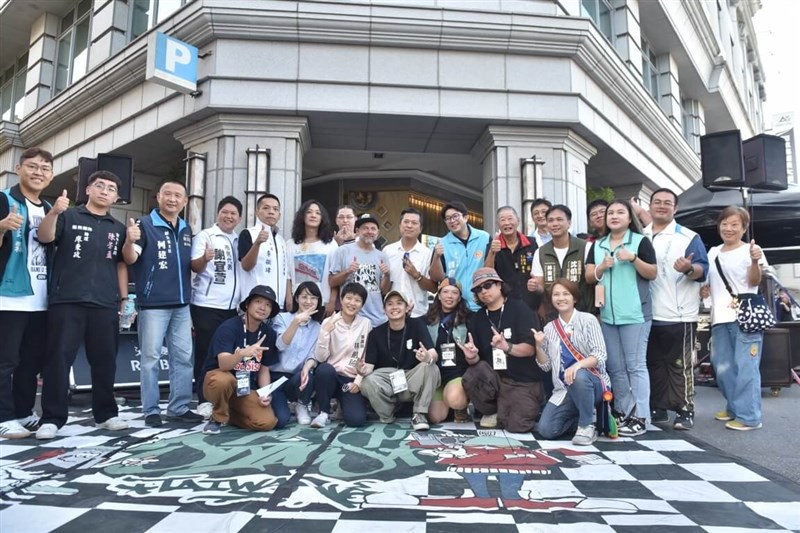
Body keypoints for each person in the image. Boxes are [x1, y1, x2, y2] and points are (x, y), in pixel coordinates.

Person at [34, 170, 130, 439]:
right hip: (67, 300)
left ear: (116, 197)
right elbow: (45, 238)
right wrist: (53, 213)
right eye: (99, 186)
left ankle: (106, 414)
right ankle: (52, 418)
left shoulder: (118, 228)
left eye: (111, 189)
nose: (104, 191)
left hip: (104, 303)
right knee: (58, 360)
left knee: (104, 361)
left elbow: (123, 264)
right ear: (87, 190)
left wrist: (123, 299)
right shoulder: (68, 216)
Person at [122, 181, 202, 427]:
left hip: (181, 305)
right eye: (167, 194)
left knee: (183, 358)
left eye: (178, 195)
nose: (172, 199)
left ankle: (178, 407)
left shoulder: (187, 229)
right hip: (153, 304)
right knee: (150, 359)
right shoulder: (143, 226)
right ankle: (151, 410)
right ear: (158, 197)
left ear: (185, 201)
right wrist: (128, 240)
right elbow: (130, 257)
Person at [585, 199, 657, 437]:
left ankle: (641, 416)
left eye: (620, 212)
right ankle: (622, 412)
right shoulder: (598, 245)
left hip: (635, 314)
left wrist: (633, 259)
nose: (614, 216)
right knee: (615, 367)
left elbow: (653, 272)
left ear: (629, 218)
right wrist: (602, 267)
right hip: (607, 315)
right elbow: (589, 277)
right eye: (610, 213)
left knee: (635, 366)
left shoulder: (640, 241)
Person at [643, 188, 708, 431]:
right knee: (654, 364)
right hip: (648, 315)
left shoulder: (688, 237)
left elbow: (702, 269)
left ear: (675, 209)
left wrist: (689, 269)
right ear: (650, 206)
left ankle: (685, 409)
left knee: (681, 365)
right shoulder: (640, 235)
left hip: (679, 314)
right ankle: (658, 407)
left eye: (667, 203)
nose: (661, 206)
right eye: (657, 202)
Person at [0, 147, 54, 439]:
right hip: (8, 296)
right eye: (32, 166)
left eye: (44, 169)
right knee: (5, 360)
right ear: (18, 168)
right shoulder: (4, 200)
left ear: (51, 175)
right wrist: (1, 226)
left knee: (30, 362)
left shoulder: (48, 209)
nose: (38, 173)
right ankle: (3, 415)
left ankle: (22, 411)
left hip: (41, 298)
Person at [702, 206, 768, 431]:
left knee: (746, 367)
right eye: (724, 224)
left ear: (744, 228)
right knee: (722, 367)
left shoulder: (752, 250)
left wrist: (754, 261)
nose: (728, 229)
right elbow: (709, 284)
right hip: (719, 316)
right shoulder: (713, 252)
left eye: (734, 224)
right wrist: (705, 292)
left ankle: (749, 417)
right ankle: (734, 407)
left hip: (745, 316)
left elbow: (754, 282)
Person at [459, 268, 542, 432]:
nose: (483, 291)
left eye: (487, 285)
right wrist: (472, 357)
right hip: (495, 378)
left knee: (517, 426)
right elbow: (476, 359)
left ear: (499, 285)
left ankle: (508, 408)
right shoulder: (478, 318)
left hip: (522, 381)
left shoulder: (519, 308)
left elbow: (530, 349)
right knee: (473, 373)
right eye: (478, 289)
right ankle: (492, 410)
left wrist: (507, 347)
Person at [534, 278, 611, 445]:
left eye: (565, 294)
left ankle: (586, 426)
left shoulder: (588, 320)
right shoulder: (549, 328)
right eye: (556, 294)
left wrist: (577, 366)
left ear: (574, 297)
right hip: (564, 389)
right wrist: (539, 347)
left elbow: (600, 355)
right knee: (546, 430)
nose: (561, 298)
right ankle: (584, 415)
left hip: (593, 382)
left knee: (579, 375)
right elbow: (546, 366)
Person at [201, 285, 280, 434]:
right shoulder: (229, 327)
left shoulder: (268, 333)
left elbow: (264, 370)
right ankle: (217, 417)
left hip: (245, 389)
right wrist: (242, 354)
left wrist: (265, 393)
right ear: (248, 304)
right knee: (224, 380)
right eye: (258, 302)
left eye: (268, 305)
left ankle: (229, 414)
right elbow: (223, 364)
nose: (263, 307)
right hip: (218, 382)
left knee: (267, 422)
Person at [190, 196, 243, 412]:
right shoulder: (206, 235)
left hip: (232, 309)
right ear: (217, 214)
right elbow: (194, 266)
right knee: (205, 352)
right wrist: (205, 258)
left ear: (239, 218)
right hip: (206, 305)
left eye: (233, 213)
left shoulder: (239, 239)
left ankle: (223, 398)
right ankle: (203, 399)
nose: (229, 216)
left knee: (227, 355)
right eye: (225, 212)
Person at [360, 290, 440, 430]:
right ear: (384, 310)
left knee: (430, 366)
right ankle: (387, 413)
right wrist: (360, 370)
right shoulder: (375, 333)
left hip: (411, 377)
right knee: (367, 381)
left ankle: (419, 414)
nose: (394, 307)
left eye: (399, 303)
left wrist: (428, 357)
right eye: (390, 304)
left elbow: (433, 353)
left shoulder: (417, 324)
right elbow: (369, 368)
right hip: (388, 380)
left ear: (407, 307)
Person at [303, 282, 372, 428]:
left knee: (356, 420)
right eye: (349, 298)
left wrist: (358, 382)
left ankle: (343, 405)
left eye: (357, 300)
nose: (352, 303)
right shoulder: (329, 322)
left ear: (362, 304)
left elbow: (366, 357)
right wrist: (324, 333)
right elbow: (321, 358)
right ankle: (324, 412)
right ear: (341, 300)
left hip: (351, 379)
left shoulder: (366, 324)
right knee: (324, 370)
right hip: (332, 377)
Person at [270, 281, 324, 428]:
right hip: (276, 378)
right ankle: (283, 406)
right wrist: (295, 322)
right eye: (304, 297)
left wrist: (307, 368)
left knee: (309, 374)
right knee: (281, 419)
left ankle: (302, 404)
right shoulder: (282, 318)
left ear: (318, 301)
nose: (308, 301)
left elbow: (314, 354)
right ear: (296, 298)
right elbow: (280, 345)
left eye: (313, 298)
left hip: (297, 377)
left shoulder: (317, 327)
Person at [530, 204, 593, 321]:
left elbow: (592, 278)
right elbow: (541, 286)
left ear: (569, 222)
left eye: (559, 220)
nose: (554, 224)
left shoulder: (585, 247)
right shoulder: (541, 252)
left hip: (583, 313)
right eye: (550, 220)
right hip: (553, 316)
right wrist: (535, 286)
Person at [328, 213, 391, 327]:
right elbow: (332, 282)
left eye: (373, 229)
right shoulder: (342, 251)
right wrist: (347, 271)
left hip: (377, 319)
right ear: (357, 231)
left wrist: (387, 275)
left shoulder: (382, 256)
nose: (369, 231)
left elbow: (384, 291)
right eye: (365, 228)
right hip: (351, 318)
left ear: (377, 233)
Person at [430, 201, 490, 312]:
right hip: (456, 306)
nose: (452, 221)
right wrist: (436, 256)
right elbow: (436, 278)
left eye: (455, 216)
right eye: (448, 218)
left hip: (482, 303)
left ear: (466, 217)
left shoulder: (484, 238)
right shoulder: (442, 243)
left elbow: (491, 268)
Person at [425, 278, 471, 424]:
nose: (449, 296)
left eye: (454, 293)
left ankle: (459, 405)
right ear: (438, 295)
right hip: (436, 375)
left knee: (455, 399)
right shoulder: (427, 318)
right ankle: (447, 403)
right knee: (435, 417)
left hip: (457, 374)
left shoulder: (469, 318)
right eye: (445, 292)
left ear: (459, 297)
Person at [239, 193, 291, 311]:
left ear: (279, 215)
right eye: (266, 208)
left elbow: (285, 272)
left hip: (278, 306)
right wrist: (257, 243)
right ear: (257, 212)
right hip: (255, 305)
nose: (271, 212)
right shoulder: (248, 234)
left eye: (275, 209)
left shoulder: (281, 240)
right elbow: (246, 266)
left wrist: (288, 297)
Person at [286, 199, 338, 315]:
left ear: (322, 218)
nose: (313, 215)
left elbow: (334, 275)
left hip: (322, 302)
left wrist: (332, 300)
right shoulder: (291, 244)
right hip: (298, 302)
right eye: (309, 212)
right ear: (302, 216)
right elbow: (287, 275)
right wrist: (289, 297)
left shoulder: (330, 244)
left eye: (318, 213)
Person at [484, 206, 539, 314]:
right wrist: (492, 252)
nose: (506, 223)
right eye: (502, 220)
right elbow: (487, 274)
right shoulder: (492, 246)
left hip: (531, 303)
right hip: (504, 304)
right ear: (497, 224)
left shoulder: (532, 243)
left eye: (510, 218)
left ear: (518, 221)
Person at [383, 208, 436, 318]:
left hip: (417, 313)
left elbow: (433, 288)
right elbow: (382, 286)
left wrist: (416, 275)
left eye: (414, 223)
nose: (409, 226)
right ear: (400, 225)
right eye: (406, 222)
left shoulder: (427, 254)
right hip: (391, 313)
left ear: (420, 228)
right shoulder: (388, 251)